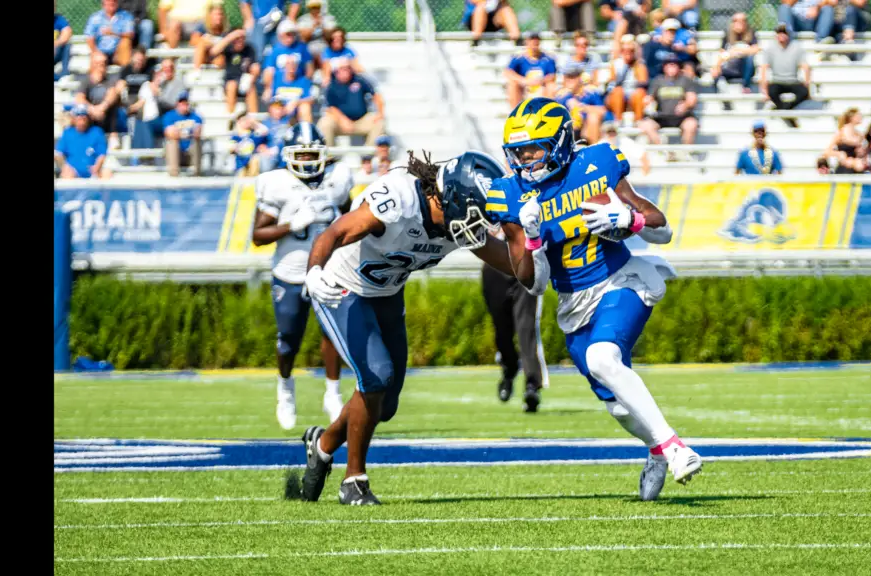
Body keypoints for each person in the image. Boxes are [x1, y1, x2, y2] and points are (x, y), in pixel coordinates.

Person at [487, 97, 703, 501]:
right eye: (518, 152)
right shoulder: (510, 195)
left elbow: (663, 229)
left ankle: (674, 447)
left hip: (620, 280)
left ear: (561, 142)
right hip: (572, 302)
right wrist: (532, 240)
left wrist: (630, 220)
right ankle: (656, 450)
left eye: (533, 149)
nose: (526, 160)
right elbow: (533, 284)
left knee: (603, 358)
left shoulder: (597, 165)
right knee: (618, 406)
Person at [295, 150, 519, 505]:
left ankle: (322, 445)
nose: (478, 223)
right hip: (343, 287)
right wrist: (314, 271)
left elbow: (511, 263)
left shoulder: (457, 220)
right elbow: (335, 232)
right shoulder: (397, 202)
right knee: (376, 378)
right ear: (451, 199)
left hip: (386, 294)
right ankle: (354, 481)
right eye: (474, 211)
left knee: (384, 406)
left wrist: (540, 244)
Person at [253, 122, 352, 429]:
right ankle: (285, 389)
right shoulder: (276, 183)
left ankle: (332, 393)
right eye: (302, 155)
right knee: (288, 342)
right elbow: (257, 235)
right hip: (290, 273)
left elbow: (352, 217)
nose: (307, 161)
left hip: (328, 270)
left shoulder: (337, 180)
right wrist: (291, 226)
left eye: (312, 155)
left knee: (333, 334)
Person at [481, 226, 549, 411]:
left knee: (526, 328)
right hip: (495, 264)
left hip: (525, 261)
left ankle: (532, 385)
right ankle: (509, 368)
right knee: (501, 331)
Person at [55, 105, 112, 180]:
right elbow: (58, 153)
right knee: (67, 174)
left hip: (93, 170)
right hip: (73, 171)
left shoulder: (96, 132)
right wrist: (65, 166)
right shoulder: (67, 133)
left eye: (84, 117)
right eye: (78, 117)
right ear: (74, 119)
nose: (81, 120)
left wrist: (96, 167)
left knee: (107, 173)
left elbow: (102, 154)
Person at [503, 32, 558, 109]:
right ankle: (515, 112)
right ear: (527, 43)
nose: (534, 45)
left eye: (536, 42)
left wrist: (540, 81)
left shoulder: (547, 58)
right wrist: (523, 80)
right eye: (532, 42)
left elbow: (552, 76)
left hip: (541, 87)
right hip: (524, 88)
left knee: (551, 86)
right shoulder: (519, 58)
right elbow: (508, 72)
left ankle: (548, 112)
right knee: (512, 85)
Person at [162, 91, 203, 177]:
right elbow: (170, 133)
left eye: (186, 103)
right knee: (172, 142)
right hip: (176, 151)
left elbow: (197, 133)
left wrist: (180, 133)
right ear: (177, 104)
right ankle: (174, 173)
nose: (184, 106)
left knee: (196, 142)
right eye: (182, 103)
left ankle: (197, 172)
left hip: (189, 151)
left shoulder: (196, 116)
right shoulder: (169, 116)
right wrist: (186, 134)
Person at [55, 2, 73, 81]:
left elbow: (67, 33)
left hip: (56, 52)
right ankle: (58, 78)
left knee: (67, 46)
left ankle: (65, 73)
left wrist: (56, 43)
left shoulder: (59, 19)